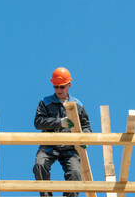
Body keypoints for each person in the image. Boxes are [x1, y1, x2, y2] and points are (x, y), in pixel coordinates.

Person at [33, 67, 92, 197]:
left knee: (75, 174)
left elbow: (86, 126)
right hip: (49, 145)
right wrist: (60, 122)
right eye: (56, 87)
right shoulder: (46, 102)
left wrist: (86, 138)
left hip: (70, 148)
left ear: (69, 85)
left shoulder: (77, 104)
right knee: (39, 165)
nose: (59, 90)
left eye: (62, 87)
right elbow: (38, 122)